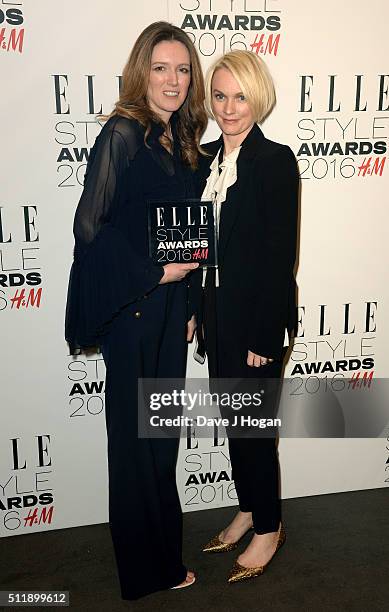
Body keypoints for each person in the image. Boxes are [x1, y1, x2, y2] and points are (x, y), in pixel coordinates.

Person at [65, 22, 207, 600]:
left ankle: (162, 558)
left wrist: (190, 300)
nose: (173, 80)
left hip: (173, 311)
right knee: (133, 443)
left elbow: (192, 234)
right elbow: (88, 226)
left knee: (162, 439)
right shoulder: (124, 132)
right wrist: (154, 274)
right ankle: (145, 574)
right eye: (161, 68)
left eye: (182, 69)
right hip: (136, 311)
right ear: (140, 72)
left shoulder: (184, 138)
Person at [196, 50, 299, 583]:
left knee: (255, 427)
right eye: (219, 96)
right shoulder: (206, 160)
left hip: (256, 318)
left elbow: (280, 257)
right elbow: (196, 249)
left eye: (239, 97)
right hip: (218, 316)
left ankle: (270, 526)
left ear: (257, 98)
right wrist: (197, 313)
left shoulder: (274, 160)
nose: (228, 108)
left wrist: (263, 334)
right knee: (235, 422)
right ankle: (248, 506)